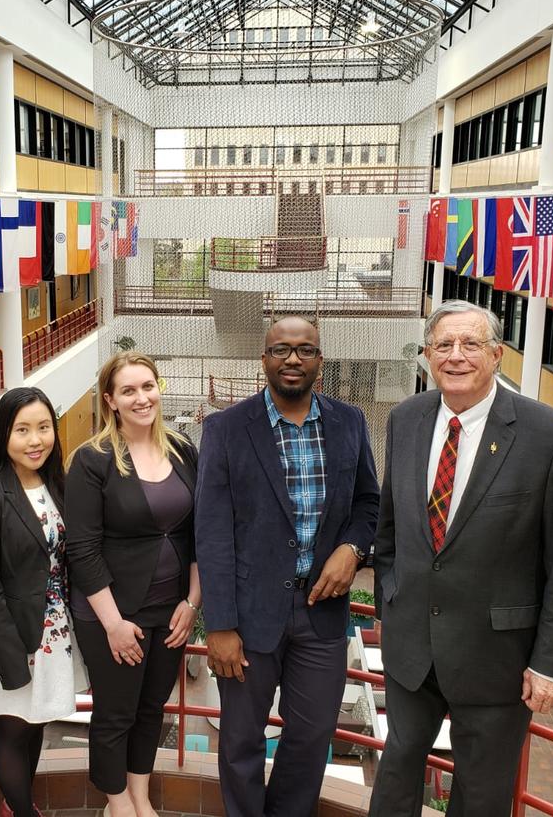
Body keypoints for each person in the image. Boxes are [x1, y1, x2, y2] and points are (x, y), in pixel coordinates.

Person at [368, 300, 553, 817]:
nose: (456, 356)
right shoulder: (407, 418)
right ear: (426, 355)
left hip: (498, 661)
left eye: (470, 344)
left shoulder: (550, 436)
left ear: (497, 354)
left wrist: (551, 664)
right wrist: (390, 599)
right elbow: (391, 526)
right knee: (396, 772)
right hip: (411, 652)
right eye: (443, 345)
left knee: (483, 795)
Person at [196, 315, 380, 817]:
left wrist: (353, 550)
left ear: (320, 360)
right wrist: (222, 625)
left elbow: (369, 504)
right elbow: (211, 533)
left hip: (322, 612)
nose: (292, 359)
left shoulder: (350, 422)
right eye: (280, 350)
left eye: (305, 350)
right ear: (264, 360)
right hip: (250, 616)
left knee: (311, 736)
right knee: (240, 740)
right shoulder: (226, 429)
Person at [65, 351, 200, 817]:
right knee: (116, 714)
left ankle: (141, 795)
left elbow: (197, 532)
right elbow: (81, 550)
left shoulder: (183, 448)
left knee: (151, 709)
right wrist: (113, 625)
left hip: (171, 611)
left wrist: (193, 601)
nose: (141, 398)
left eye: (148, 386)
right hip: (112, 614)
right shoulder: (92, 460)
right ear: (111, 401)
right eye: (128, 390)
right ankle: (117, 802)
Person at [0, 387, 73, 817]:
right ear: (3, 437)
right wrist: (12, 659)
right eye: (22, 430)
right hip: (8, 639)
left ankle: (17, 808)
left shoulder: (56, 485)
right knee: (12, 732)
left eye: (43, 428)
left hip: (53, 630)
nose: (35, 440)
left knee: (36, 728)